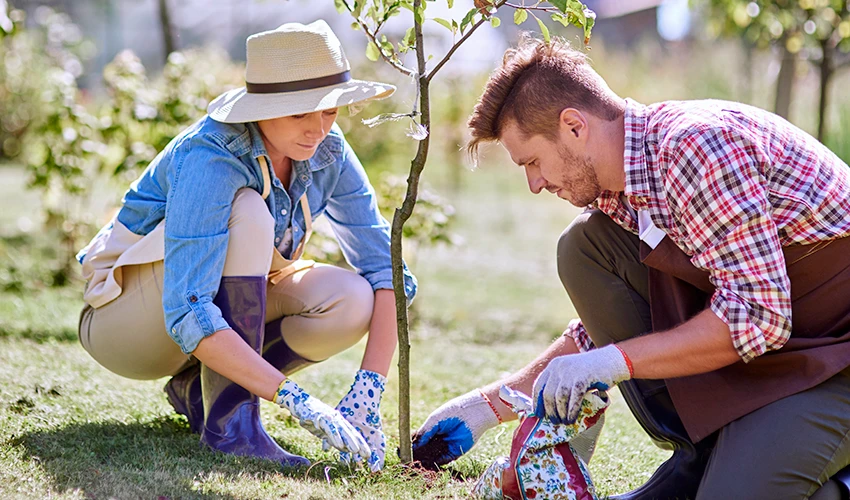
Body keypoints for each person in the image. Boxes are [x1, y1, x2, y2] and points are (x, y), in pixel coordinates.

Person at [412, 35, 850, 499]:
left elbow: (758, 318)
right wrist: (490, 404)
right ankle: (704, 451)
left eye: (533, 161)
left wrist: (610, 363)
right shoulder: (623, 184)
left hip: (835, 356)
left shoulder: (696, 150)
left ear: (574, 126)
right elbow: (610, 325)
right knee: (584, 245)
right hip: (780, 348)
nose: (534, 183)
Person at [76, 20, 416, 472]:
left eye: (330, 111)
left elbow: (385, 270)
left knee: (353, 299)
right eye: (300, 112)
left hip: (195, 318)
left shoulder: (327, 150)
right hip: (127, 322)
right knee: (250, 211)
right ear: (262, 107)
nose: (318, 129)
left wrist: (368, 389)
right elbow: (186, 307)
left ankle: (200, 394)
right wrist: (295, 399)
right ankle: (232, 424)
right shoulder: (213, 154)